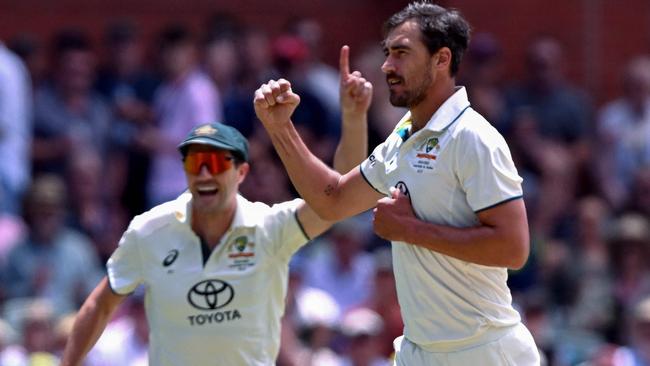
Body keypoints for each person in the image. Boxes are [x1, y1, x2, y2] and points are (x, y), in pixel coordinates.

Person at [254, 2, 540, 365]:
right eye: (388, 53)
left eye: (402, 53)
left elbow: (513, 248)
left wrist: (410, 229)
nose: (388, 66)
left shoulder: (473, 138)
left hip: (484, 353)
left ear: (441, 59)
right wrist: (281, 129)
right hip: (417, 352)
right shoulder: (404, 135)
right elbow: (334, 200)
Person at [60, 45, 371, 365]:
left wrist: (353, 119)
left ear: (241, 172)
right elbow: (100, 305)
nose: (204, 172)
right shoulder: (149, 230)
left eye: (214, 161)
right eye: (195, 162)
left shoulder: (270, 227)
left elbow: (338, 199)